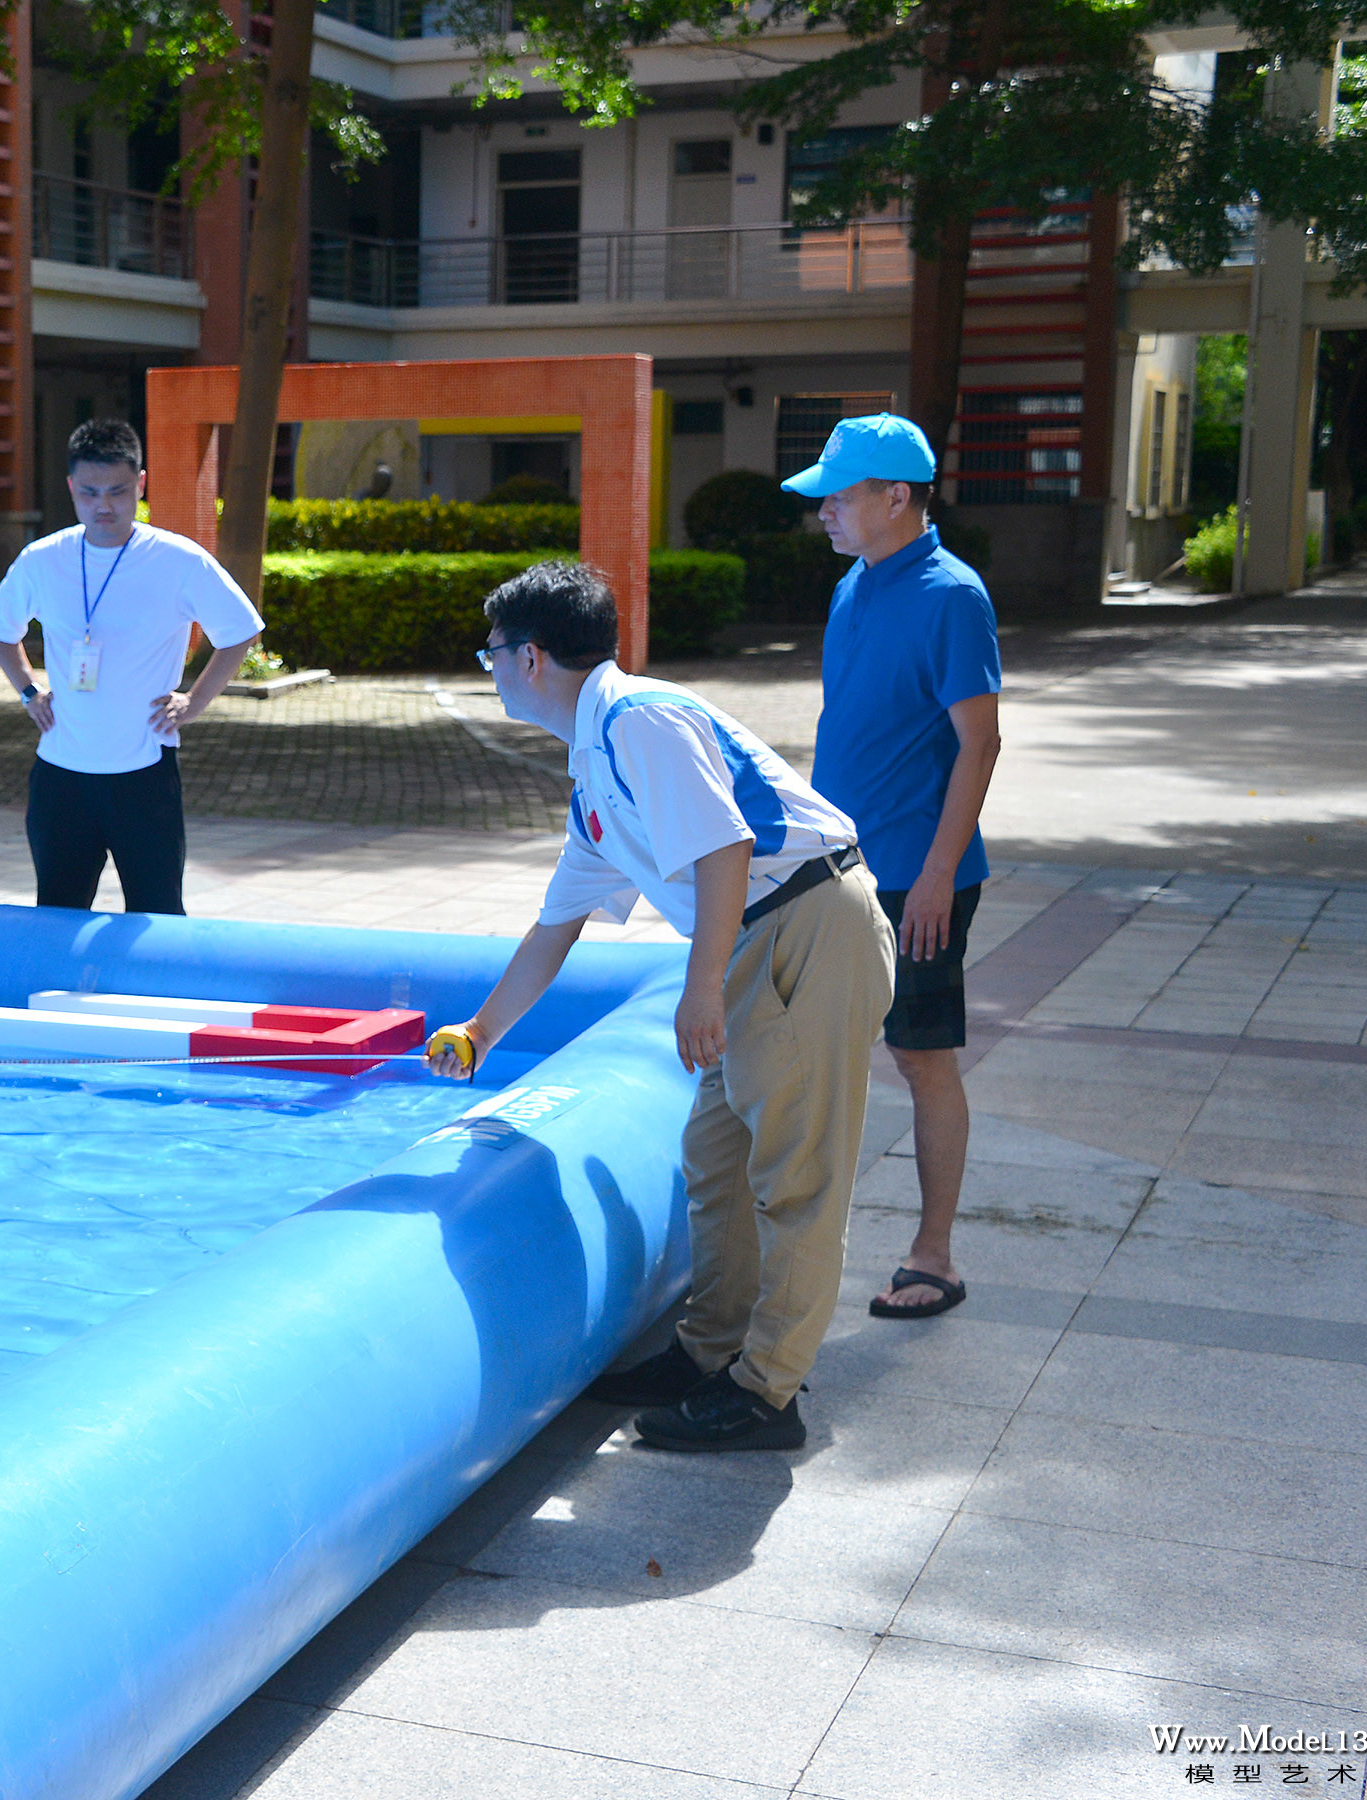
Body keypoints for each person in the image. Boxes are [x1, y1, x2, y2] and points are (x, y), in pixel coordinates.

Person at [427, 561, 895, 1453]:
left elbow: (727, 849)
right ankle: (708, 1353)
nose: (488, 671)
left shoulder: (640, 722)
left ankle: (766, 1394)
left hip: (804, 926)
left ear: (530, 659)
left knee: (796, 1178)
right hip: (766, 934)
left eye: (489, 655)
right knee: (715, 1164)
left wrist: (702, 987)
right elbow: (555, 926)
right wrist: (482, 1033)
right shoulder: (598, 763)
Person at [782, 414, 1003, 1323]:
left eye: (841, 495)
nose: (826, 511)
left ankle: (934, 1255)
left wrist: (943, 875)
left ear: (896, 497)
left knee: (920, 1056)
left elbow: (980, 745)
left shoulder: (952, 595)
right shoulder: (854, 584)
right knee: (811, 1050)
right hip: (843, 865)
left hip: (920, 874)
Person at [0, 418, 263, 915]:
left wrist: (194, 701)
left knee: (157, 915)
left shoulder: (177, 560)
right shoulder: (43, 559)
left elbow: (240, 632)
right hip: (61, 776)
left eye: (118, 491)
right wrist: (28, 691)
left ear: (141, 485)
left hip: (143, 776)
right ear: (71, 488)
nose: (103, 505)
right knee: (57, 914)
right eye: (89, 493)